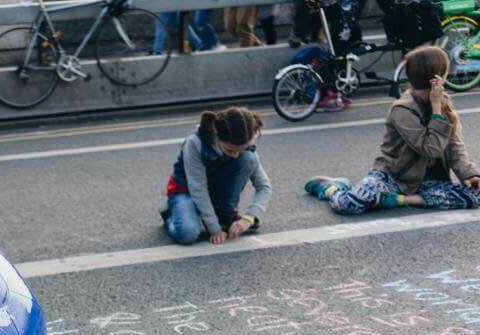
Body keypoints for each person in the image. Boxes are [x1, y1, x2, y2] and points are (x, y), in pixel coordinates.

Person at [305, 46, 480, 215]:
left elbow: (454, 144)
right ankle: (331, 187)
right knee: (349, 204)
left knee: (474, 195)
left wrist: (469, 174)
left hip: (428, 182)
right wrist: (436, 110)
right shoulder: (403, 109)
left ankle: (399, 200)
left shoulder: (442, 102)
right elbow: (431, 148)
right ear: (435, 78)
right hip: (394, 178)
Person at [162, 107, 271, 245]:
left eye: (241, 150)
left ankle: (224, 212)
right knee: (187, 233)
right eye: (230, 150)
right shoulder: (195, 142)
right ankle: (170, 214)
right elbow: (198, 189)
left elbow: (264, 187)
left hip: (214, 188)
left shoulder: (247, 141)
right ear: (216, 133)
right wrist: (214, 228)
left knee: (249, 158)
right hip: (186, 190)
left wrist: (249, 218)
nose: (235, 155)